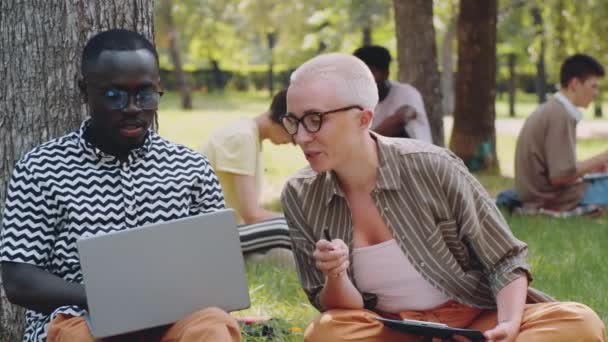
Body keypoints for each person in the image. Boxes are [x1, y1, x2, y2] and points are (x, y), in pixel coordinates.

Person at [280, 52, 605, 342]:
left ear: (363, 119)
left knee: (580, 323)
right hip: (390, 329)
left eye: (314, 120)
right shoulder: (300, 194)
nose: (301, 137)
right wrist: (335, 273)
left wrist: (507, 324)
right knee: (326, 333)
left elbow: (505, 260)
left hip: (475, 320)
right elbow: (338, 309)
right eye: (293, 121)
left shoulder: (434, 167)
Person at [0, 29, 241, 342]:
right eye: (114, 95)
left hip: (173, 322)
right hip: (82, 320)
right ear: (84, 91)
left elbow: (217, 270)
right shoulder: (41, 169)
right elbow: (19, 280)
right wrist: (110, 298)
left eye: (146, 95)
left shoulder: (190, 167)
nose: (132, 108)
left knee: (212, 327)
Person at [201, 90, 295, 263]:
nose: (292, 143)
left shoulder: (248, 133)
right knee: (286, 232)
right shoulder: (242, 137)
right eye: (293, 136)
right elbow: (252, 215)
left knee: (285, 250)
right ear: (286, 122)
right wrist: (297, 222)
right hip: (211, 236)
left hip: (227, 229)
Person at [515, 54, 608, 211]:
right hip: (550, 198)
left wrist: (594, 166)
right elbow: (560, 177)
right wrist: (604, 157)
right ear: (575, 84)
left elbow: (562, 169)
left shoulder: (555, 109)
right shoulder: (560, 115)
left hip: (537, 194)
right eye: (593, 86)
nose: (596, 93)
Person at [353, 45, 432, 143]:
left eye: (371, 72)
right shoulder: (357, 100)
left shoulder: (405, 92)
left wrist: (363, 142)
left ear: (386, 73)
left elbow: (401, 119)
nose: (365, 78)